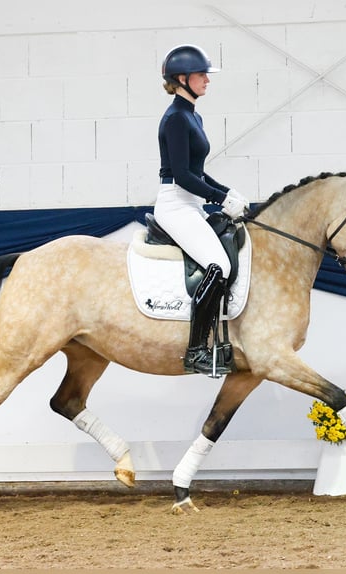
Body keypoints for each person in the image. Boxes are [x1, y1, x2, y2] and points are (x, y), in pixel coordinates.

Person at [154, 44, 249, 376]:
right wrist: (220, 199)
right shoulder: (176, 119)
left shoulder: (193, 115)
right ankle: (196, 351)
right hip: (175, 204)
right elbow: (181, 175)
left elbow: (197, 171)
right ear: (181, 78)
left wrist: (226, 192)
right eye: (201, 74)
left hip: (190, 202)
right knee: (218, 264)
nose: (207, 80)